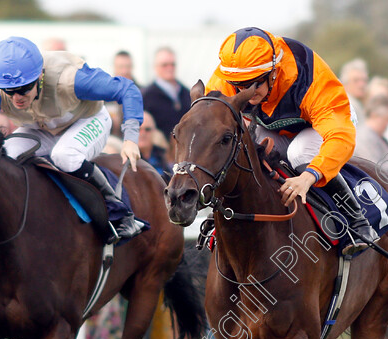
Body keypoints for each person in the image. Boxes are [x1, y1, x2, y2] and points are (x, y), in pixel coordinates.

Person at [205, 27, 376, 254]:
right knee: (242, 144)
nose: (247, 91)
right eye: (241, 85)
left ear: (274, 72)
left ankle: (356, 218)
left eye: (254, 83)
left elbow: (339, 136)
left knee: (300, 153)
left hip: (325, 124)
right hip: (275, 127)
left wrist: (308, 177)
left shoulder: (309, 78)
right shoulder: (227, 78)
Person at [0, 36, 146, 243]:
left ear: (40, 78)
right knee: (4, 157)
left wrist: (130, 139)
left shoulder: (72, 79)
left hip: (86, 119)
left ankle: (120, 213)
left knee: (65, 155)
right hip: (40, 127)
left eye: (24, 88)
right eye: (9, 91)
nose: (17, 97)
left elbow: (127, 90)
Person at [142, 47, 190, 143]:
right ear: (155, 67)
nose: (169, 68)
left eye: (172, 64)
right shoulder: (146, 96)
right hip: (159, 152)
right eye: (165, 65)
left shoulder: (186, 93)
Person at [138, 111, 171, 180]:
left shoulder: (164, 155)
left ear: (154, 132)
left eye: (147, 129)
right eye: (138, 129)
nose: (143, 133)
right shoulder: (125, 160)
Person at [340, 58, 369, 123]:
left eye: (364, 80)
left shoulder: (361, 104)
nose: (361, 85)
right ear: (345, 83)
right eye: (356, 80)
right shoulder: (347, 105)